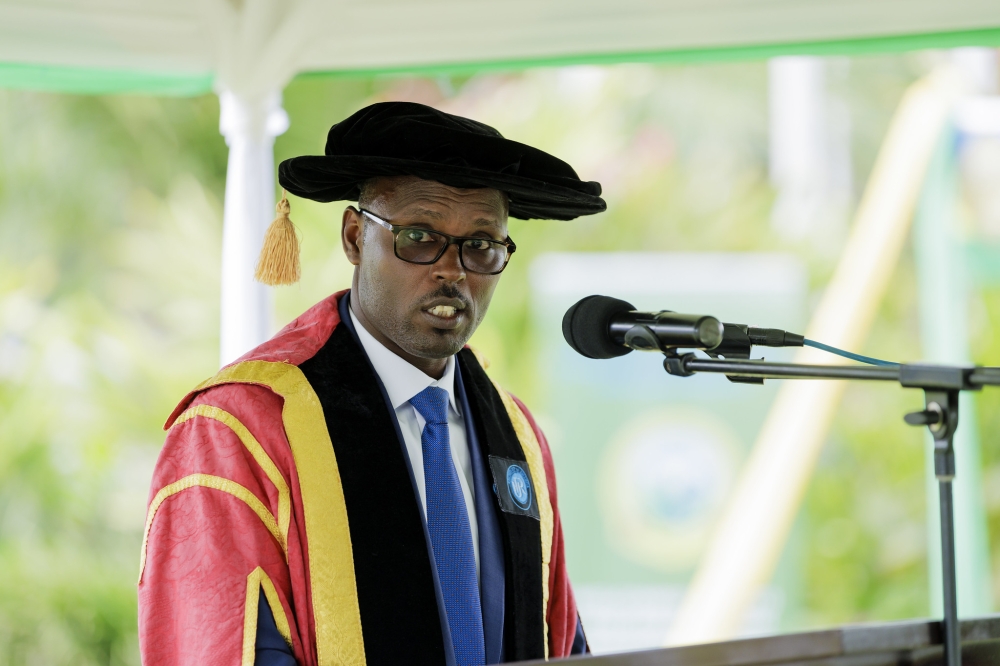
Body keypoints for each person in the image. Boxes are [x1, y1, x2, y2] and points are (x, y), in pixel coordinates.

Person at [138, 101, 606, 666]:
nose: (452, 269)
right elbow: (230, 646)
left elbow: (558, 637)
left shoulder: (518, 437)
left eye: (481, 244)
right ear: (356, 237)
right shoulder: (244, 430)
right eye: (418, 236)